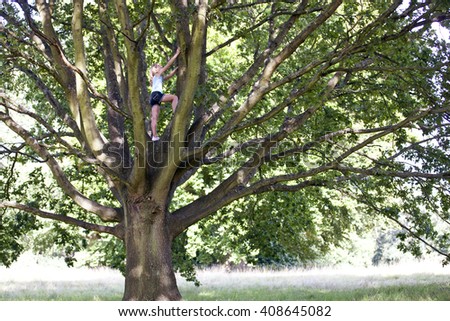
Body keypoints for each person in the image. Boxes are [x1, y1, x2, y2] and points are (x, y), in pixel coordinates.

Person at [149, 47, 180, 141]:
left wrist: (176, 69)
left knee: (154, 117)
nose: (161, 67)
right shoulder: (157, 74)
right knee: (174, 98)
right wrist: (177, 54)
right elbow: (168, 64)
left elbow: (169, 75)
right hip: (157, 94)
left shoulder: (157, 78)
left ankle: (154, 136)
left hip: (152, 97)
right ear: (155, 70)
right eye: (159, 66)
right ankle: (176, 114)